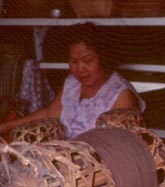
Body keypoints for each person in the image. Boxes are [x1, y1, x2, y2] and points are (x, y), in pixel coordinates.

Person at [0, 23, 145, 139]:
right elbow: (50, 113)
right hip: (64, 156)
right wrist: (8, 126)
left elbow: (121, 145)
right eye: (73, 61)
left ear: (104, 59)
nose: (80, 68)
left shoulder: (120, 94)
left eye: (87, 61)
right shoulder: (72, 83)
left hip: (97, 165)